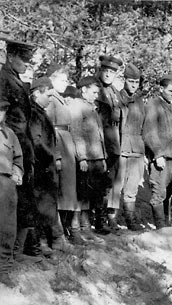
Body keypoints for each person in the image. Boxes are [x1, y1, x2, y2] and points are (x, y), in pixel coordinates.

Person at [0, 37, 41, 263]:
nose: (27, 64)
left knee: (24, 200)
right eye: (24, 59)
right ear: (11, 56)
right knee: (14, 202)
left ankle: (16, 254)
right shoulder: (3, 79)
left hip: (23, 146)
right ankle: (10, 257)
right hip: (10, 147)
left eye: (29, 59)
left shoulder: (13, 78)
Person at [45, 64, 85, 246]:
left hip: (66, 145)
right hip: (59, 145)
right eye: (61, 79)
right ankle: (58, 236)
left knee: (67, 193)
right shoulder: (50, 99)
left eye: (66, 80)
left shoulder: (59, 99)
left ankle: (65, 232)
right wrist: (58, 155)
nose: (65, 83)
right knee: (60, 193)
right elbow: (49, 130)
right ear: (51, 79)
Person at [143, 73, 172, 229]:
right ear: (161, 89)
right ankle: (161, 228)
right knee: (159, 194)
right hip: (162, 158)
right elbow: (149, 132)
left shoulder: (171, 107)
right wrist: (158, 154)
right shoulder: (153, 104)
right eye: (170, 91)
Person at [29, 76, 67, 254]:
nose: (51, 99)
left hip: (46, 166)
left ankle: (53, 242)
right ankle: (43, 244)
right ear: (37, 93)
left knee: (48, 205)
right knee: (41, 206)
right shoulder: (34, 114)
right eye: (48, 95)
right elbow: (37, 143)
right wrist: (51, 156)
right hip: (41, 167)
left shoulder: (40, 113)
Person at [69, 75, 108, 240]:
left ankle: (86, 227)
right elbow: (76, 132)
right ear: (83, 90)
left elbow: (99, 136)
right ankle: (76, 229)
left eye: (97, 93)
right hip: (87, 159)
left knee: (91, 195)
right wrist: (82, 157)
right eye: (93, 92)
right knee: (81, 194)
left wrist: (103, 158)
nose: (95, 95)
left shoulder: (91, 107)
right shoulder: (77, 106)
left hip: (97, 158)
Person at [96, 54, 124, 232]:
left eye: (111, 72)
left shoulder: (115, 92)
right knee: (100, 183)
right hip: (101, 142)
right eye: (105, 70)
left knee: (109, 183)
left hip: (114, 142)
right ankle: (98, 221)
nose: (108, 74)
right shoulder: (96, 89)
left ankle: (107, 218)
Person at [119, 62, 145, 231]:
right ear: (124, 80)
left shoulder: (141, 102)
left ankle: (130, 219)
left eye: (136, 82)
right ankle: (110, 219)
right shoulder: (118, 97)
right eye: (131, 81)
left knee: (132, 186)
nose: (134, 85)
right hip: (121, 147)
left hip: (137, 149)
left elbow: (145, 127)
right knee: (116, 185)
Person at [0, 100, 24, 287]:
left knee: (7, 227)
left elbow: (18, 158)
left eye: (2, 110)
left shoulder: (9, 134)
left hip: (6, 184)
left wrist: (17, 172)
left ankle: (4, 269)